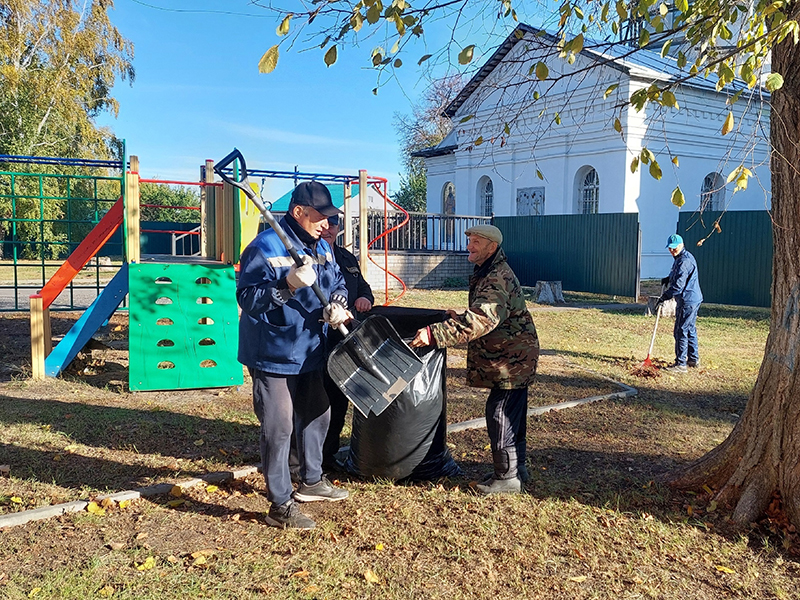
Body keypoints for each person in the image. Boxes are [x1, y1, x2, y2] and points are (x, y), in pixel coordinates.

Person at [237, 181, 352, 530]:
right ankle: (280, 503)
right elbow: (249, 301)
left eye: (330, 219)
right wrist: (286, 285)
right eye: (320, 217)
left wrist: (339, 305)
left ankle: (312, 479)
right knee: (279, 426)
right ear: (299, 212)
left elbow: (338, 284)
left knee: (319, 412)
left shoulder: (323, 246)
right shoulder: (264, 247)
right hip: (273, 352)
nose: (327, 225)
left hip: (310, 349)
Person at [410, 224, 539, 495]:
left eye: (476, 242)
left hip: (510, 359)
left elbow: (482, 319)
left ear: (491, 247)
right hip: (511, 354)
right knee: (511, 411)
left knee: (501, 412)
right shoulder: (490, 270)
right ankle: (517, 469)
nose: (469, 245)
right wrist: (456, 318)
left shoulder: (497, 276)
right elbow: (484, 313)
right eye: (469, 240)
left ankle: (506, 478)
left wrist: (435, 334)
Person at [320, 214, 374, 469]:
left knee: (339, 399)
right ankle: (306, 458)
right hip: (317, 342)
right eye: (325, 224)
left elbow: (363, 287)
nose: (328, 229)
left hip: (344, 340)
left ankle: (328, 456)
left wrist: (365, 299)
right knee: (316, 401)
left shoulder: (346, 258)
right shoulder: (307, 257)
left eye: (333, 224)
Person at [656, 233, 703, 373]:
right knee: (689, 328)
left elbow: (678, 287)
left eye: (674, 248)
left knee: (681, 330)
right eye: (670, 248)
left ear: (681, 245)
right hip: (693, 298)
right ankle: (693, 359)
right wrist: (668, 278)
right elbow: (676, 275)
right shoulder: (681, 258)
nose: (672, 250)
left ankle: (681, 364)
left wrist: (664, 297)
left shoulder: (684, 261)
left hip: (687, 300)